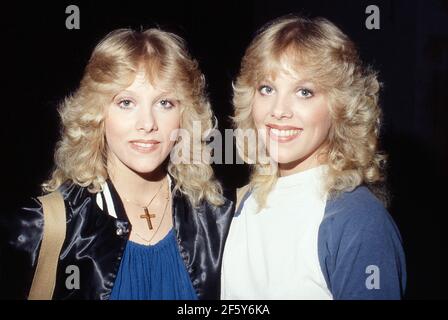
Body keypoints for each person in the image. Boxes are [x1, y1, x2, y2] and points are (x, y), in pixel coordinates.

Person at [0, 28, 233, 300]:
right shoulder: (43, 228)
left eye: (165, 103)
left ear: (185, 115)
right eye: (126, 102)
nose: (147, 124)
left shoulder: (217, 220)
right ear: (97, 113)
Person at [221, 15, 406, 299]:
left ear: (340, 107)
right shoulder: (246, 203)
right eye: (266, 89)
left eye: (304, 92)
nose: (279, 110)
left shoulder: (358, 222)